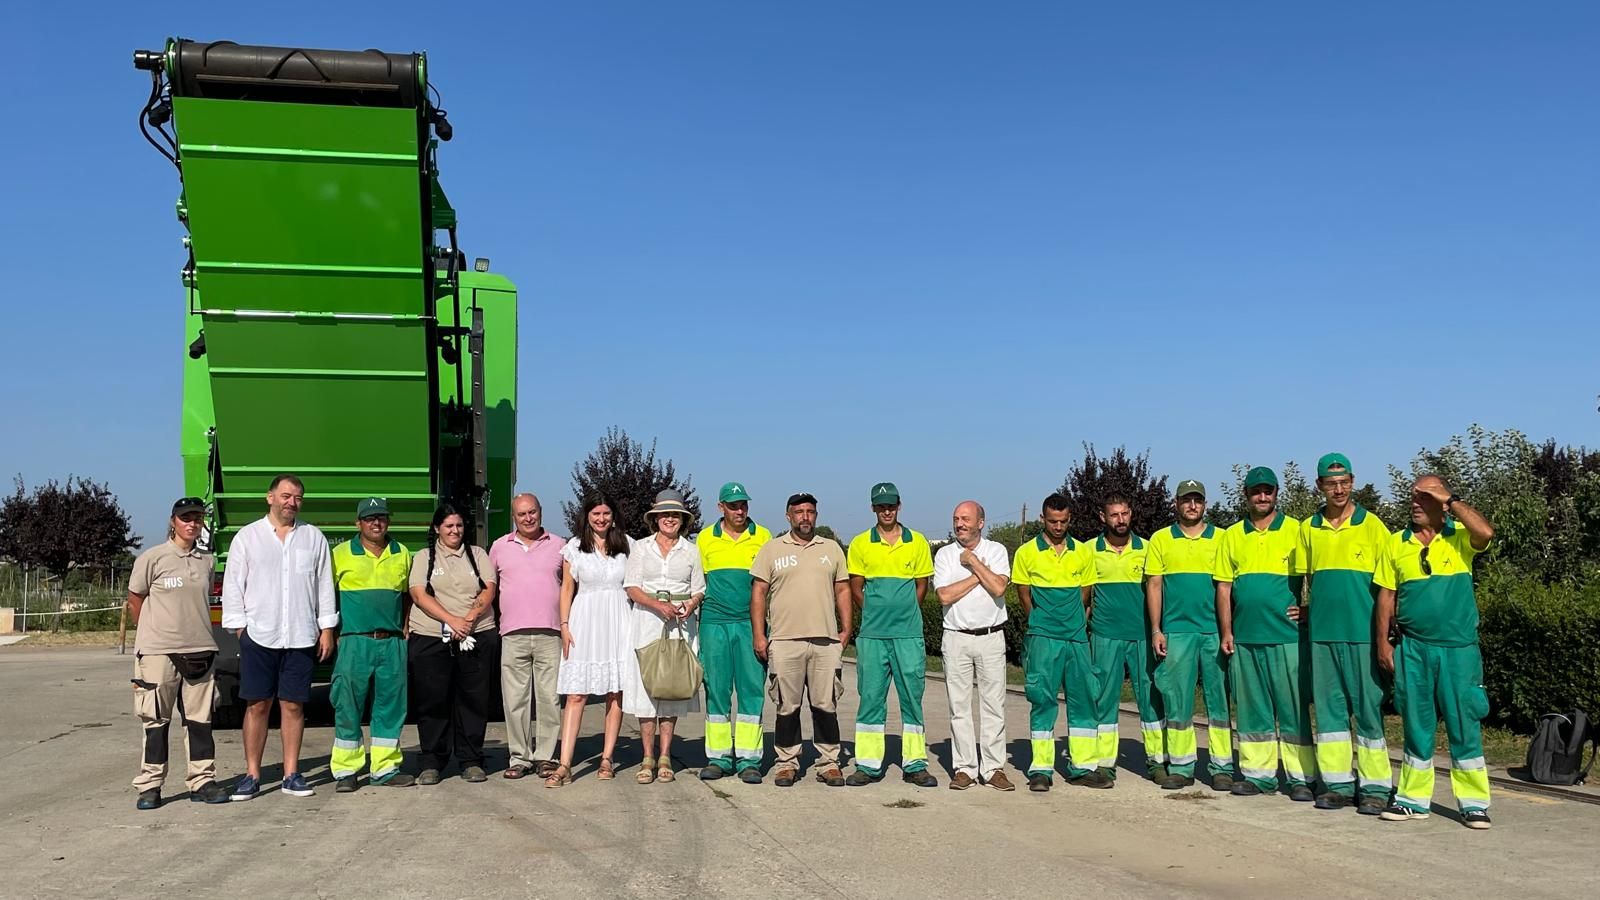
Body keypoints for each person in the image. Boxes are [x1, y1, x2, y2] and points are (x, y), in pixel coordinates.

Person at [1375, 475, 1495, 829]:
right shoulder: (1397, 544)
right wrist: (1383, 642)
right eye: (1412, 496)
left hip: (1458, 650)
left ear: (1441, 501)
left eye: (1424, 496)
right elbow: (1386, 596)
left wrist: (1451, 499)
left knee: (1464, 724)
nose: (1415, 502)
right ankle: (1413, 799)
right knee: (1416, 725)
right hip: (1414, 648)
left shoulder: (1459, 538)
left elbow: (1485, 533)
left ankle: (1473, 803)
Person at [220, 474, 336, 800]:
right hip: (259, 635)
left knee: (294, 705)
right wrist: (240, 628)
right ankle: (252, 775)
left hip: (300, 635)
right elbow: (233, 586)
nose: (291, 502)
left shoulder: (314, 538)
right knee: (257, 705)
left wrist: (326, 628)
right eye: (285, 496)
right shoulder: (248, 538)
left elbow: (324, 586)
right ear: (270, 497)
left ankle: (291, 774)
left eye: (297, 497)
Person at [1297, 454, 1393, 813]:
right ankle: (1337, 783)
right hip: (1322, 636)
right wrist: (1305, 609)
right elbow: (1305, 580)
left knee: (1368, 711)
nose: (1338, 489)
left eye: (1344, 482)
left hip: (1363, 634)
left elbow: (1389, 585)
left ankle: (1375, 788)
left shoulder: (1374, 526)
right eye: (1330, 482)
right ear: (1319, 486)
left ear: (1352, 481)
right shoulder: (1309, 528)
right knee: (1330, 715)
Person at [1215, 466, 1316, 800]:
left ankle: (1301, 777)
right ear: (1246, 495)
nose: (1262, 496)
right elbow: (1224, 588)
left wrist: (1311, 609)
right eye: (1256, 491)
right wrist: (1227, 631)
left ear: (1276, 493)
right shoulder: (1232, 535)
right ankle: (1259, 776)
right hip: (1245, 638)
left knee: (1293, 709)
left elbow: (1317, 574)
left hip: (1287, 636)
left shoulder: (1297, 530)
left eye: (1268, 491)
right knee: (1252, 709)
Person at [126, 497, 230, 809]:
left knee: (200, 721)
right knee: (155, 720)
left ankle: (202, 780)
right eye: (186, 518)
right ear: (173, 521)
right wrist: (151, 634)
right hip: (158, 652)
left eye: (197, 518)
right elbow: (135, 599)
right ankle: (151, 785)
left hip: (200, 650)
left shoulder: (206, 561)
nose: (192, 523)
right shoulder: (152, 558)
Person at [750, 493, 852, 787]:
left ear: (815, 515)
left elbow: (843, 590)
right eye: (799, 512)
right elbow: (758, 593)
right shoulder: (771, 549)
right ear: (788, 516)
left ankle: (829, 762)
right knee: (786, 707)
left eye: (810, 512)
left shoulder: (831, 549)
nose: (805, 517)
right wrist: (760, 634)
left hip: (825, 642)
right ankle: (786, 763)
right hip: (784, 641)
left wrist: (846, 630)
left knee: (825, 706)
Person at [846, 482, 938, 788]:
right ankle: (868, 765)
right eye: (881, 506)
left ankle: (915, 764)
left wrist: (903, 611)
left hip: (908, 635)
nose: (887, 511)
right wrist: (874, 610)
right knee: (871, 698)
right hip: (872, 635)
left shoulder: (917, 542)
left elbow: (921, 586)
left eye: (891, 505)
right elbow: (856, 587)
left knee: (912, 698)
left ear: (899, 505)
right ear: (873, 508)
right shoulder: (860, 543)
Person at [1013, 493, 1106, 791]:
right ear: (1042, 519)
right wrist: (1039, 620)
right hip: (1043, 638)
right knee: (1042, 700)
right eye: (1053, 521)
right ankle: (1041, 768)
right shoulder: (1027, 552)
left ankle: (1083, 766)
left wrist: (1072, 618)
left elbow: (1086, 592)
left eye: (1063, 521)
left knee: (1084, 700)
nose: (1058, 526)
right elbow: (1024, 593)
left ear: (1070, 519)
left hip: (1076, 638)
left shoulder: (1082, 551)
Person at [1146, 480, 1231, 791]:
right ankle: (1181, 766)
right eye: (1186, 500)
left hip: (1212, 631)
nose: (1192, 505)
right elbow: (1154, 586)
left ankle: (1222, 766)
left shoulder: (1223, 538)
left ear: (1205, 504)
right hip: (1177, 631)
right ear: (1176, 503)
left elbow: (1227, 587)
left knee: (1218, 701)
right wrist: (1157, 629)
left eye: (1197, 500)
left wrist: (1227, 630)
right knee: (1178, 701)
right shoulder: (1161, 539)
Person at [406, 504, 499, 784]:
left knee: (473, 700)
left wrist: (469, 618)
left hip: (477, 633)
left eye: (458, 526)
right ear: (437, 528)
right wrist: (451, 620)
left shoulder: (478, 554)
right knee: (433, 700)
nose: (454, 531)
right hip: (431, 637)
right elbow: (419, 594)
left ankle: (471, 760)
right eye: (448, 526)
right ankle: (432, 762)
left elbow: (489, 588)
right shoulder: (424, 557)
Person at [329, 497, 416, 791]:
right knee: (347, 704)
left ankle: (385, 768)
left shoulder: (402, 553)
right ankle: (346, 771)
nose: (376, 523)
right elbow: (326, 597)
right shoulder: (340, 554)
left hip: (391, 643)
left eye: (381, 517)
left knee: (391, 706)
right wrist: (331, 632)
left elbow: (407, 595)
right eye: (369, 518)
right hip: (354, 642)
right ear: (358, 523)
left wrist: (404, 627)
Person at [545, 495, 633, 787]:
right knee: (575, 694)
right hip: (583, 621)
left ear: (613, 515)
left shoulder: (627, 546)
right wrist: (565, 625)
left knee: (615, 691)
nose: (601, 518)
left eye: (606, 513)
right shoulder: (573, 548)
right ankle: (565, 763)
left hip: (619, 621)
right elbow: (566, 589)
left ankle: (607, 758)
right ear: (587, 516)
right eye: (596, 513)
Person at [623, 489, 706, 784]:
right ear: (655, 518)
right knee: (648, 688)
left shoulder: (691, 550)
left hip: (681, 624)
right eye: (665, 515)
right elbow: (631, 587)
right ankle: (647, 756)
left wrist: (690, 604)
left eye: (675, 515)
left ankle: (666, 755)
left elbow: (699, 588)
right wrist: (657, 605)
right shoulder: (641, 548)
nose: (670, 519)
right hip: (647, 621)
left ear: (682, 520)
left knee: (671, 687)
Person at [695, 481, 772, 784]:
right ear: (720, 507)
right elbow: (695, 584)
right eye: (733, 505)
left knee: (752, 691)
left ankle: (750, 759)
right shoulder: (704, 539)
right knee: (717, 691)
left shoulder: (763, 537)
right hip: (714, 624)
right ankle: (718, 757)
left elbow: (769, 586)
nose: (739, 510)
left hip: (749, 625)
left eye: (743, 504)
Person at [933, 501, 1013, 791]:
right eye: (956, 519)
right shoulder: (945, 554)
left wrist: (974, 562)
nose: (959, 524)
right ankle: (965, 768)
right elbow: (944, 595)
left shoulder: (997, 551)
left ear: (981, 522)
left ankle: (993, 769)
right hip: (956, 636)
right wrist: (979, 575)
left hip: (991, 636)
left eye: (966, 519)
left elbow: (1000, 588)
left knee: (994, 705)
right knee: (959, 707)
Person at [1087, 495, 1165, 785]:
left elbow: (1158, 591)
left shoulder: (1147, 549)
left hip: (1142, 636)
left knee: (1151, 700)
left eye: (1124, 514)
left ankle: (1157, 761)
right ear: (1102, 517)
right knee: (1105, 699)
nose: (1120, 520)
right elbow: (1084, 596)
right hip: (1105, 636)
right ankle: (1106, 764)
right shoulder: (1088, 551)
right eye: (1114, 515)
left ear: (1131, 514)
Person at [491, 493, 565, 781]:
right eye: (522, 514)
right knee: (515, 700)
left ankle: (546, 757)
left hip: (550, 632)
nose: (528, 518)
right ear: (514, 517)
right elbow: (488, 588)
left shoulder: (559, 546)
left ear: (541, 512)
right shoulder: (499, 547)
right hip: (513, 633)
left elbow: (571, 587)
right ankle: (520, 757)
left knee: (549, 698)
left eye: (532, 512)